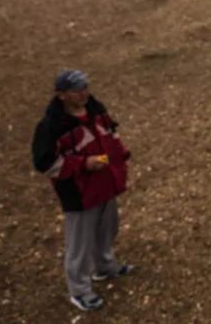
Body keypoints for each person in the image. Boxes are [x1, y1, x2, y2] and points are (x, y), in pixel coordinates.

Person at [32, 69, 134, 312]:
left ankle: (104, 266)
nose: (84, 93)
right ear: (61, 95)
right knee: (80, 243)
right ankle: (79, 290)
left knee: (108, 227)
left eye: (86, 87)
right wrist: (82, 164)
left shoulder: (96, 110)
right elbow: (44, 163)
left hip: (105, 183)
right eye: (77, 90)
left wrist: (119, 152)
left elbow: (110, 132)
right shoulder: (51, 126)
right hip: (78, 193)